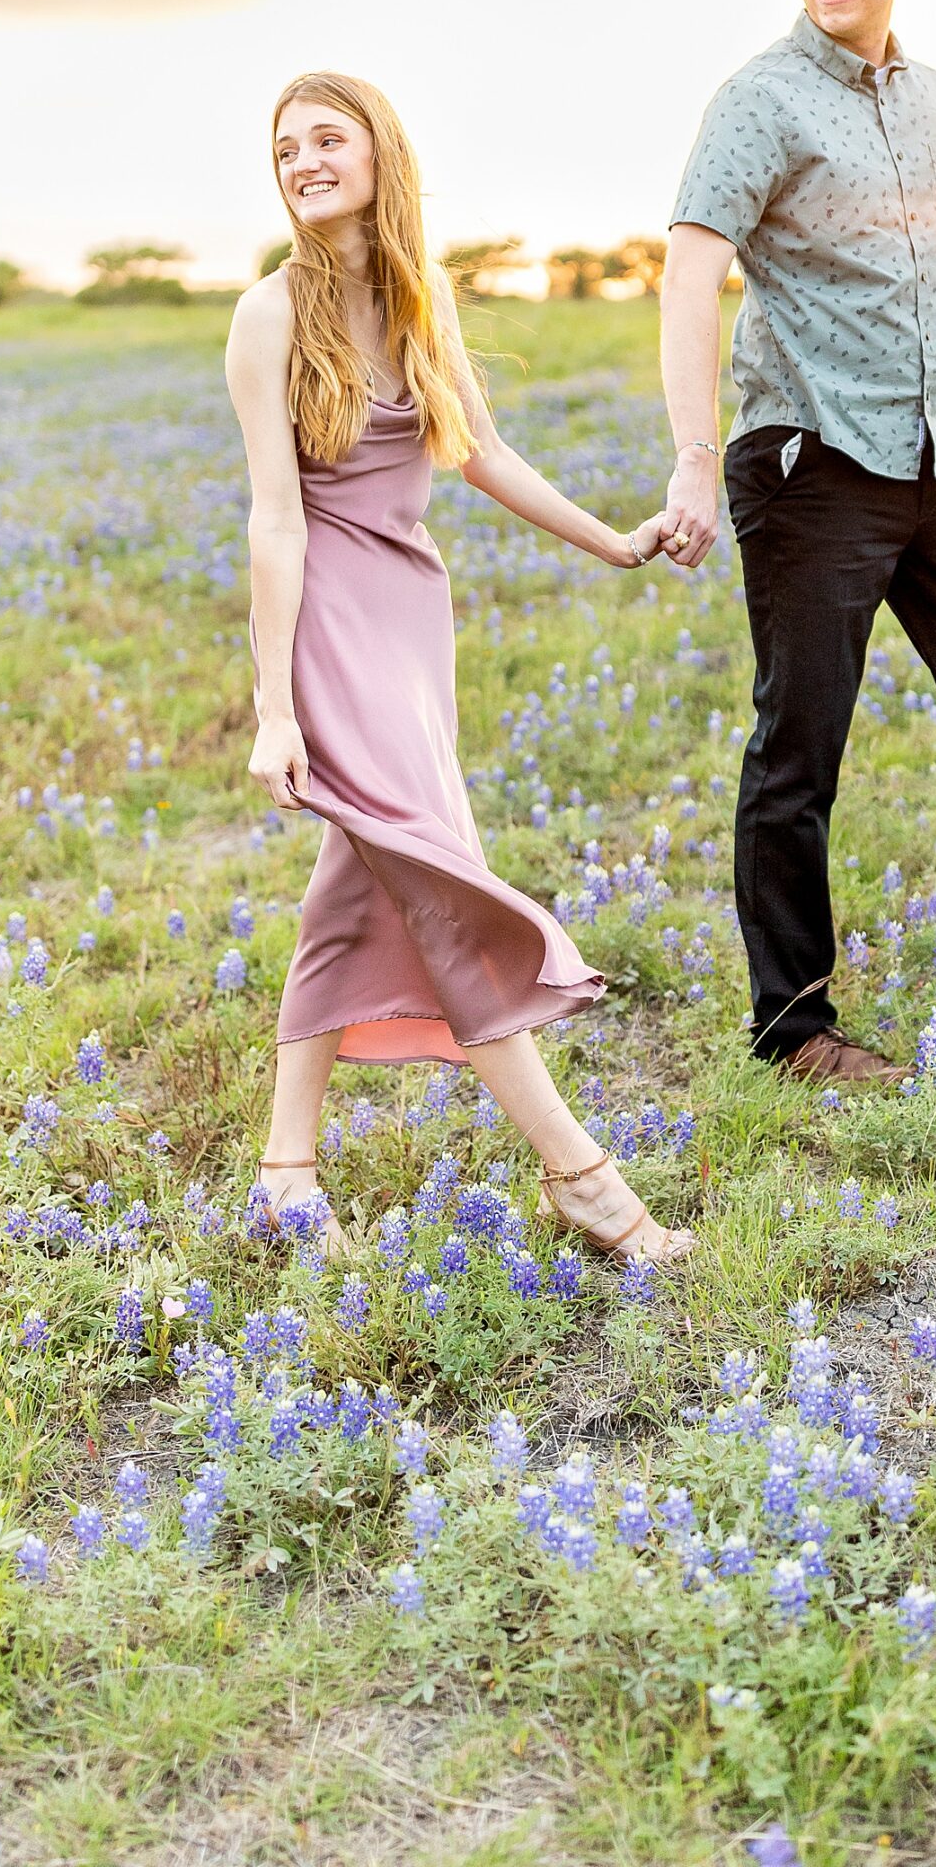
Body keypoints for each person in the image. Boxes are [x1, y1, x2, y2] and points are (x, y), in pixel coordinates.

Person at [224, 69, 692, 1264]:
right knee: (442, 885)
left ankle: (286, 1174)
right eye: (286, 150)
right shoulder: (269, 314)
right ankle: (586, 1180)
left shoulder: (421, 292)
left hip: (408, 621)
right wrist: (275, 708)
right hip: (329, 623)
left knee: (356, 887)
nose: (304, 161)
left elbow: (479, 449)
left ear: (380, 153)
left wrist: (613, 538)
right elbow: (275, 522)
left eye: (326, 138)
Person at [657, 0, 936, 1088]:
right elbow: (688, 273)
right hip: (810, 457)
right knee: (802, 740)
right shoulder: (760, 98)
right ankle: (794, 1028)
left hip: (935, 453)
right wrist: (687, 456)